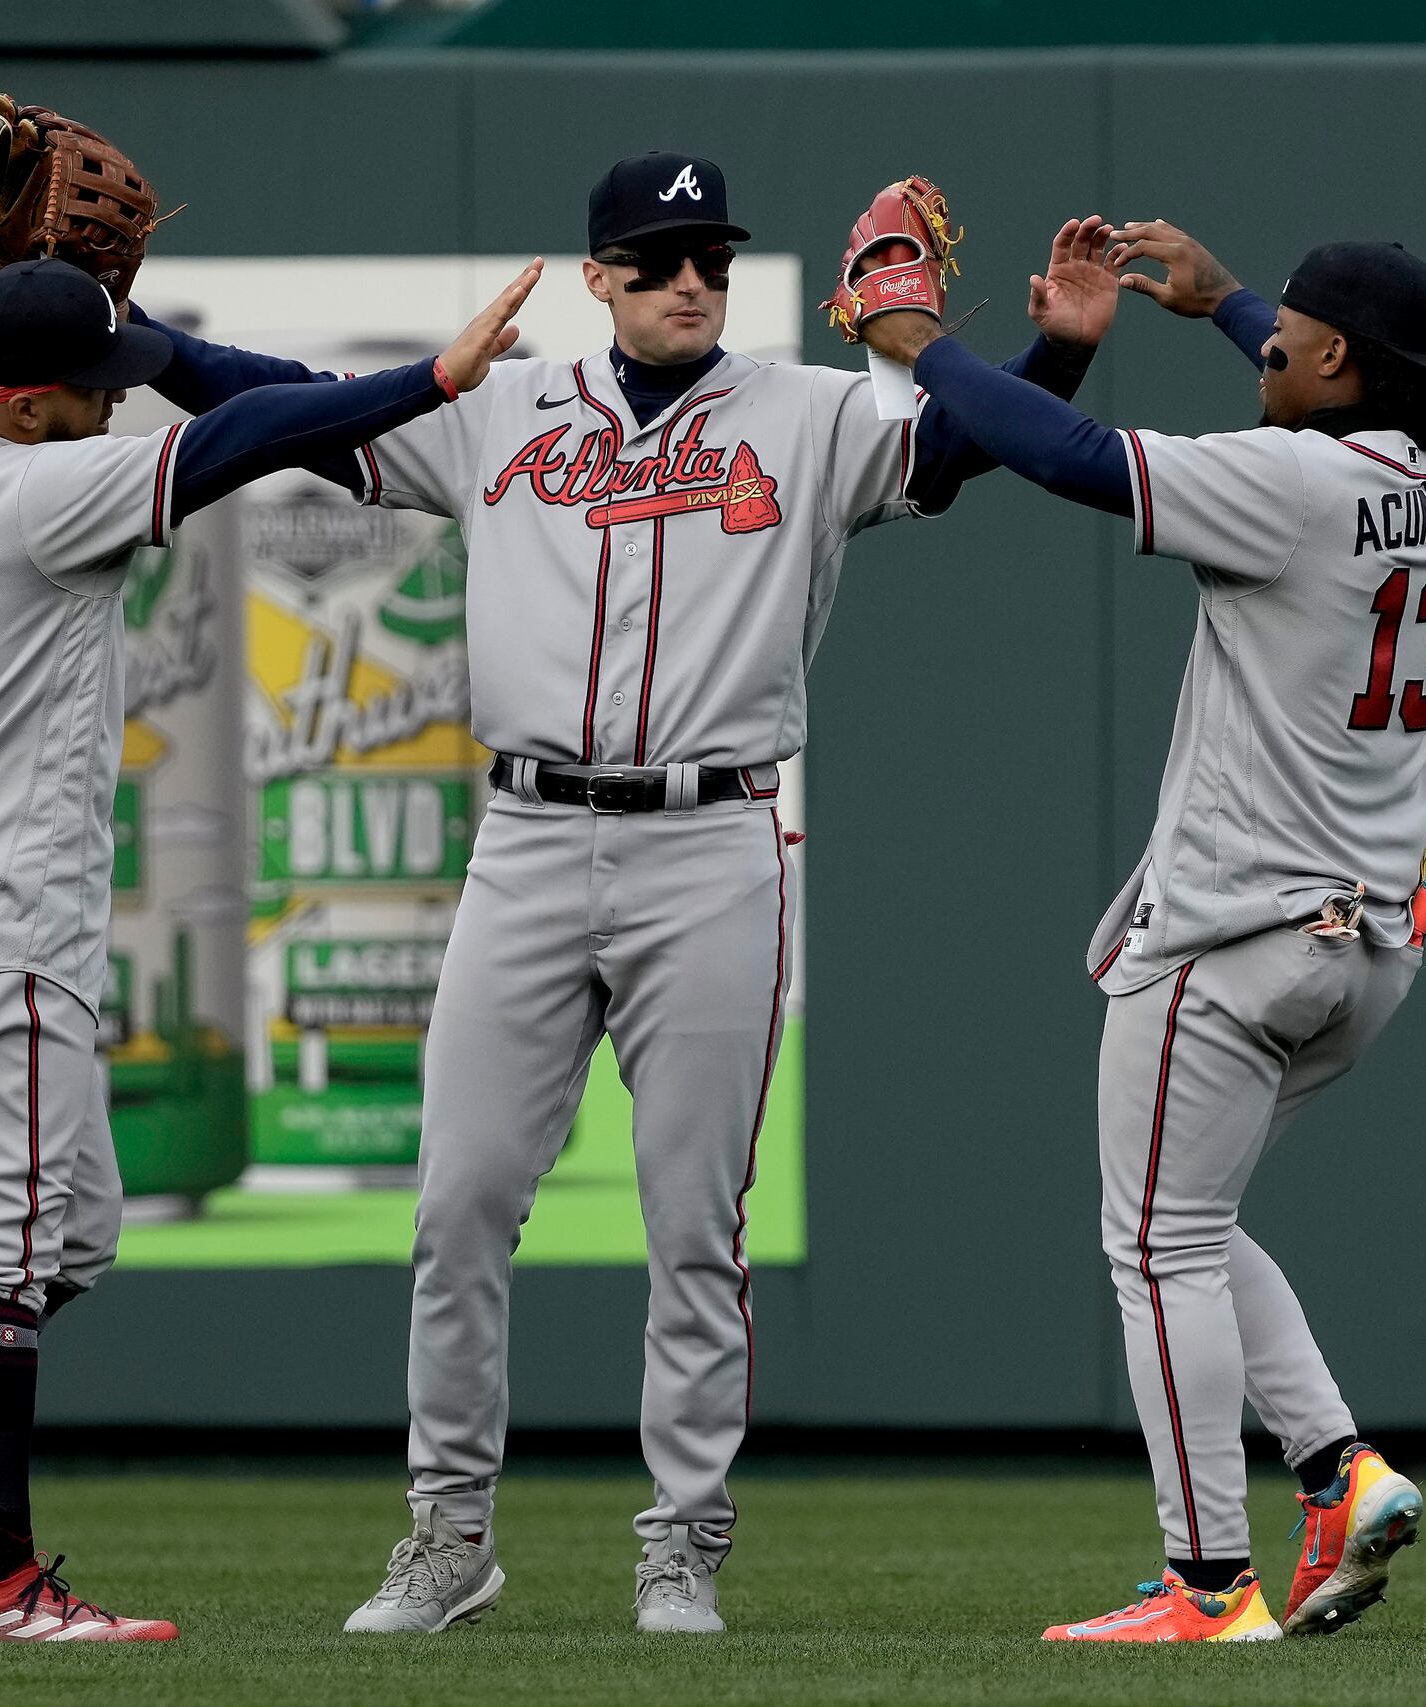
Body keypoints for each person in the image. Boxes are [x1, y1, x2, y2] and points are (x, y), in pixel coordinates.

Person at [299, 152, 1103, 1638]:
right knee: (461, 1202)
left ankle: (680, 1543)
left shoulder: (808, 413)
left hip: (712, 845)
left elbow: (972, 450)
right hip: (527, 840)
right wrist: (121, 331)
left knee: (692, 1223)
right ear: (597, 276)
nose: (691, 281)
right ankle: (445, 1533)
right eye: (659, 259)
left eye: (712, 261)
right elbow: (289, 412)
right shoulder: (499, 409)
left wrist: (1054, 349)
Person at [0, 252, 541, 1644]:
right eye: (89, 393)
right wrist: (434, 383)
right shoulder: (35, 490)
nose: (110, 412)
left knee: (67, 1233)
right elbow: (245, 438)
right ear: (19, 409)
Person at [858, 217, 1426, 1642]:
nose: (1266, 338)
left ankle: (1209, 1586)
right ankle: (1338, 1469)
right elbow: (1317, 364)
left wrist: (923, 347)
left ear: (1334, 359)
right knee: (1190, 1226)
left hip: (1240, 934)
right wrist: (1218, 302)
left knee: (1154, 1249)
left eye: (1287, 329)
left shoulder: (1289, 479)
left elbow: (1077, 460)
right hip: (1370, 944)